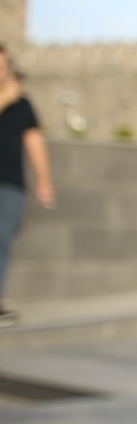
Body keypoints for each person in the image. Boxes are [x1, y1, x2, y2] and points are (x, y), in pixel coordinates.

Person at [0, 47, 54, 326]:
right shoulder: (9, 98)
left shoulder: (21, 104)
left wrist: (44, 179)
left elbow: (33, 140)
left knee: (2, 240)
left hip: (9, 184)